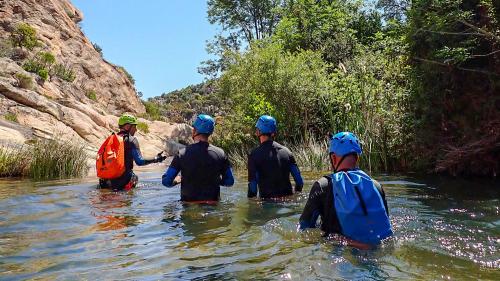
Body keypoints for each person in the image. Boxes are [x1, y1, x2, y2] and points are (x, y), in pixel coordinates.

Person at [299, 132, 392, 246]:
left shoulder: (322, 186)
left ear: (333, 158)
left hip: (338, 250)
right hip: (377, 246)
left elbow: (305, 225)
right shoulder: (376, 186)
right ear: (357, 157)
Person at [162, 114, 234, 202]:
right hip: (213, 206)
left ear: (195, 131)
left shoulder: (182, 153)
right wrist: (216, 180)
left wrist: (178, 180)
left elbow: (166, 182)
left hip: (189, 207)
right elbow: (230, 182)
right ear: (210, 132)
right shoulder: (220, 153)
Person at [98, 114, 166, 191]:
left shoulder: (112, 139)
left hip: (104, 182)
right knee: (134, 178)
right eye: (134, 127)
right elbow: (140, 161)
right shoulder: (132, 140)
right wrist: (156, 159)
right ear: (127, 126)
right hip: (123, 182)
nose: (136, 130)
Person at [247, 115, 303, 199]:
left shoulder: (254, 155)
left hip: (267, 204)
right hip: (288, 201)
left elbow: (253, 188)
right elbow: (299, 182)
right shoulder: (287, 152)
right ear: (273, 132)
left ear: (258, 131)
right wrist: (295, 195)